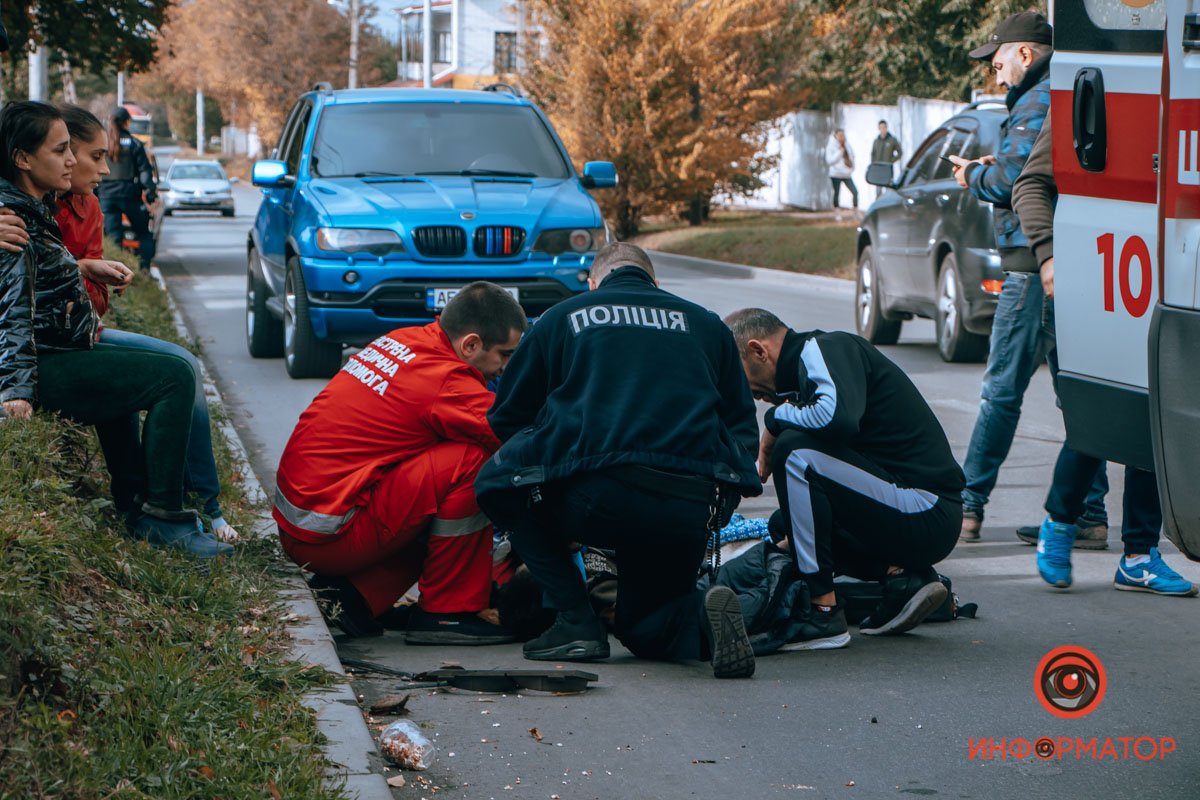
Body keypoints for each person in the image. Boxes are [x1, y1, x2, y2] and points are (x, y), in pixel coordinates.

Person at [475, 242, 763, 679]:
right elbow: (741, 426)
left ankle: (576, 622)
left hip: (597, 497)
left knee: (496, 483)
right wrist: (719, 502)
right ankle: (705, 621)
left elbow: (509, 417)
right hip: (690, 506)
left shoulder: (561, 319)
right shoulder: (706, 325)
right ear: (656, 283)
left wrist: (547, 490)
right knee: (644, 628)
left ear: (592, 284)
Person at [0, 100, 229, 559]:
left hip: (64, 348)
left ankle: (137, 505)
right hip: (44, 363)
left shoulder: (31, 206)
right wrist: (15, 393)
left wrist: (82, 268)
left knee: (133, 373)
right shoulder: (14, 221)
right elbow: (12, 312)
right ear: (23, 159)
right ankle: (166, 516)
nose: (72, 160)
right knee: (175, 375)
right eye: (61, 150)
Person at [274, 282, 526, 642]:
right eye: (504, 355)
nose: (504, 369)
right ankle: (448, 614)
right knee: (473, 461)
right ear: (470, 344)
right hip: (330, 535)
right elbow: (517, 440)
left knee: (439, 483)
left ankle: (355, 597)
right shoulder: (448, 382)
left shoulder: (407, 340)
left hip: (309, 523)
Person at [1010, 118, 1196, 596]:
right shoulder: (1087, 94)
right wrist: (1048, 256)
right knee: (1103, 413)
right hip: (1098, 278)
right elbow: (1029, 185)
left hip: (1160, 278)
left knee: (1153, 412)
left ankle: (1138, 557)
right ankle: (1060, 521)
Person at [947, 11, 1109, 547]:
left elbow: (1017, 181)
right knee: (1077, 394)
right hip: (1069, 261)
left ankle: (967, 507)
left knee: (1001, 391)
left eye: (998, 64)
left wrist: (973, 174)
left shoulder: (1038, 99)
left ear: (1025, 53)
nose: (997, 77)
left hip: (1031, 265)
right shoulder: (1065, 90)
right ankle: (1088, 513)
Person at [724, 308, 962, 640]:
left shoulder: (823, 348)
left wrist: (775, 421)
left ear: (759, 351)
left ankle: (823, 613)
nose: (752, 396)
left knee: (794, 454)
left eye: (743, 380)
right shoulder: (807, 378)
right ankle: (904, 582)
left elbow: (836, 418)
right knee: (789, 522)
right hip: (906, 513)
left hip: (926, 509)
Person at [96, 106, 156, 271]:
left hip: (106, 196)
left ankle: (115, 271)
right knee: (143, 233)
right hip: (129, 195)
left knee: (114, 236)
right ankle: (144, 270)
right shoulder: (135, 144)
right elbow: (144, 171)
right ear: (126, 123)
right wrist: (150, 194)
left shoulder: (103, 144)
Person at [825, 129, 858, 212]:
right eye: (839, 135)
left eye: (842, 135)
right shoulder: (831, 146)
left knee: (855, 192)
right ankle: (836, 212)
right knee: (836, 193)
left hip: (847, 174)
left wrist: (852, 168)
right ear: (835, 136)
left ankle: (855, 209)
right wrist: (840, 153)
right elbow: (829, 160)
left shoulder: (847, 145)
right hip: (836, 174)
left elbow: (852, 157)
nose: (841, 137)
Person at [870, 120, 902, 198]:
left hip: (887, 169)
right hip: (878, 169)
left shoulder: (892, 140)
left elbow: (900, 152)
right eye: (881, 127)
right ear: (879, 128)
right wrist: (873, 164)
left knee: (888, 190)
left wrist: (891, 161)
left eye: (884, 127)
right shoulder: (876, 141)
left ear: (886, 127)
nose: (882, 129)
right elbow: (873, 153)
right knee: (878, 191)